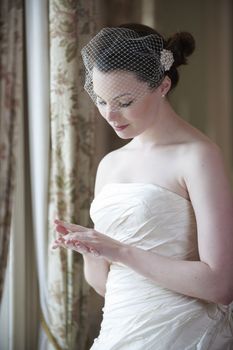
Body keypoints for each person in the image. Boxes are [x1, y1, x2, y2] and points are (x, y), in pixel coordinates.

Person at [52, 23, 233, 349]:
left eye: (123, 101)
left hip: (179, 332)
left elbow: (221, 284)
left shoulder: (198, 156)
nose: (110, 114)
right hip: (118, 332)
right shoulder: (110, 165)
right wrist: (91, 251)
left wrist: (120, 251)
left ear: (162, 86)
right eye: (101, 99)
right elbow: (108, 286)